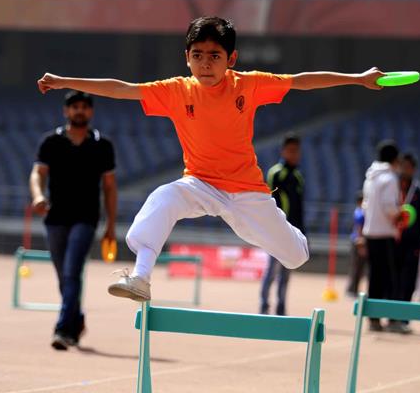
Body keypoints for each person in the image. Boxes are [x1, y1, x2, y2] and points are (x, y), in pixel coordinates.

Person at [36, 16, 385, 302]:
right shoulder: (175, 90)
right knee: (163, 197)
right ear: (186, 57)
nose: (205, 63)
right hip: (200, 183)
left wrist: (358, 79)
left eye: (215, 55)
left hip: (248, 192)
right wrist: (63, 80)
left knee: (296, 257)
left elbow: (301, 82)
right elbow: (122, 88)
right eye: (198, 55)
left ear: (230, 59)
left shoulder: (247, 85)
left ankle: (289, 234)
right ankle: (141, 277)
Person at [29, 91, 117, 350]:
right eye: (75, 107)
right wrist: (37, 196)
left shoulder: (102, 145)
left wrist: (111, 225)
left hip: (86, 218)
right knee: (63, 276)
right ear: (66, 111)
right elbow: (37, 173)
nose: (80, 111)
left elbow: (110, 187)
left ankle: (63, 330)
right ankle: (76, 319)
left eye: (84, 107)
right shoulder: (50, 142)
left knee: (71, 271)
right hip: (55, 216)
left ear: (91, 112)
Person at [362, 140, 407, 333]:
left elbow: (365, 205)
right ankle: (392, 319)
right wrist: (401, 215)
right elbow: (390, 207)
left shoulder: (370, 177)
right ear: (395, 159)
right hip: (384, 234)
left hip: (371, 232)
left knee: (375, 278)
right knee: (389, 279)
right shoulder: (389, 178)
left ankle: (373, 318)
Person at [259, 133, 304, 316]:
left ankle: (281, 307)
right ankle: (264, 305)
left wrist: (301, 231)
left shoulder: (298, 176)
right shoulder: (275, 173)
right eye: (291, 150)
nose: (294, 154)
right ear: (283, 151)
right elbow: (270, 203)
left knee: (286, 272)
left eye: (297, 151)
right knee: (271, 270)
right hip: (276, 232)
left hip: (293, 232)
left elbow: (299, 207)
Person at [395, 153, 420, 305]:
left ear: (413, 169)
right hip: (393, 241)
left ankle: (404, 317)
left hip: (412, 243)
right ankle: (391, 313)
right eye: (402, 166)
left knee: (409, 278)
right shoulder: (392, 188)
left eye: (407, 167)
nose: (404, 170)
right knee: (393, 278)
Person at [346, 191, 366, 298]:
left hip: (355, 240)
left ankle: (352, 289)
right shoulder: (360, 212)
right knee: (357, 267)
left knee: (356, 267)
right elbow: (359, 229)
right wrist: (361, 245)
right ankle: (352, 290)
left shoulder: (358, 211)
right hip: (358, 242)